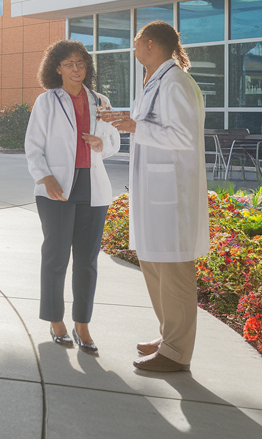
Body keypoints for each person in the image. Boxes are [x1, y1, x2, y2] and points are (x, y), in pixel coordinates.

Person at [101, 21, 208, 373]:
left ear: (149, 44)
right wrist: (128, 120)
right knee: (154, 264)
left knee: (174, 270)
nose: (133, 51)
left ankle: (178, 351)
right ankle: (168, 336)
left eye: (135, 44)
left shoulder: (175, 82)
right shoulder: (155, 81)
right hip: (153, 193)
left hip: (172, 195)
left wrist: (136, 126)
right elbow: (154, 126)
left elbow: (183, 136)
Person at [25, 40, 121, 354]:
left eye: (81, 63)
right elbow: (33, 145)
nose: (76, 69)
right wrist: (45, 176)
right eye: (69, 63)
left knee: (87, 261)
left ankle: (82, 324)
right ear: (57, 68)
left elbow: (113, 142)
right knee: (55, 258)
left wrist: (100, 144)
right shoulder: (47, 101)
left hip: (93, 189)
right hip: (57, 190)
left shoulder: (100, 100)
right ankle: (56, 321)